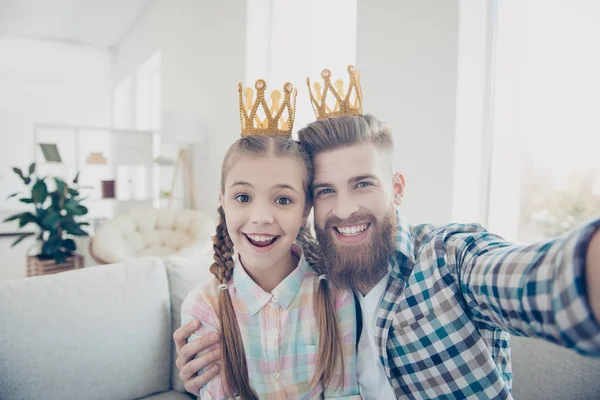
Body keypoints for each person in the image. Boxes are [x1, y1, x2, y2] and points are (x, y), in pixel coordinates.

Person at [175, 66, 600, 399]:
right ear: (311, 206)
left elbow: (537, 279)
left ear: (396, 188)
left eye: (363, 183)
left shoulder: (448, 259)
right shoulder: (321, 278)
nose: (344, 210)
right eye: (326, 191)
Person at [179, 79, 361, 399]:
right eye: (243, 197)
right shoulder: (204, 306)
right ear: (222, 200)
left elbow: (343, 395)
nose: (261, 217)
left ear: (306, 208)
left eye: (282, 200)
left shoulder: (336, 294)